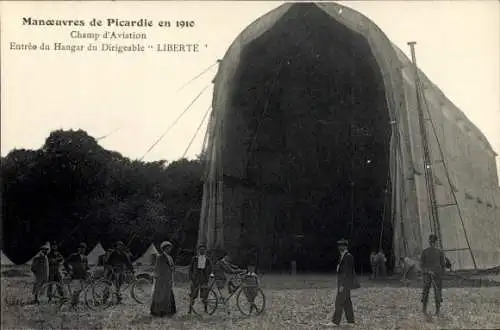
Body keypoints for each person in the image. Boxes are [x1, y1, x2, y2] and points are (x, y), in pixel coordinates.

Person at [323, 239, 360, 327]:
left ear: (346, 246)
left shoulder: (348, 256)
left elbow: (347, 272)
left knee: (339, 302)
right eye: (339, 246)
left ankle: (335, 321)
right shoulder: (343, 256)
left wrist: (342, 285)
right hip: (343, 283)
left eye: (342, 246)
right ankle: (350, 321)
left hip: (344, 283)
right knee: (347, 302)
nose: (340, 247)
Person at [420, 234, 447, 316]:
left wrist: (427, 271)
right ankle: (437, 311)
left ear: (429, 241)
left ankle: (424, 310)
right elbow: (443, 265)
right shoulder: (440, 252)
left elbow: (421, 265)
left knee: (425, 291)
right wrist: (440, 273)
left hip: (427, 274)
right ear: (436, 242)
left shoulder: (424, 251)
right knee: (438, 291)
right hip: (437, 273)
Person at [150, 241, 177, 318]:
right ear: (164, 249)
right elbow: (157, 268)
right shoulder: (159, 257)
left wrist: (172, 274)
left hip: (168, 279)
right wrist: (156, 276)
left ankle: (168, 311)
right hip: (161, 280)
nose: (169, 249)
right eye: (167, 248)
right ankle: (158, 311)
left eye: (170, 248)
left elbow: (172, 267)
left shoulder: (170, 257)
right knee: (160, 295)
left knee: (168, 295)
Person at [188, 244, 213, 314]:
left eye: (203, 250)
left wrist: (209, 275)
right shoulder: (194, 259)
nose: (202, 251)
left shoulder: (208, 260)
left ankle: (205, 310)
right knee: (193, 294)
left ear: (205, 251)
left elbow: (210, 269)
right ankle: (190, 309)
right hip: (195, 278)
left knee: (205, 295)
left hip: (204, 279)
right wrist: (190, 279)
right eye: (200, 250)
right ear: (198, 251)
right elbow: (190, 269)